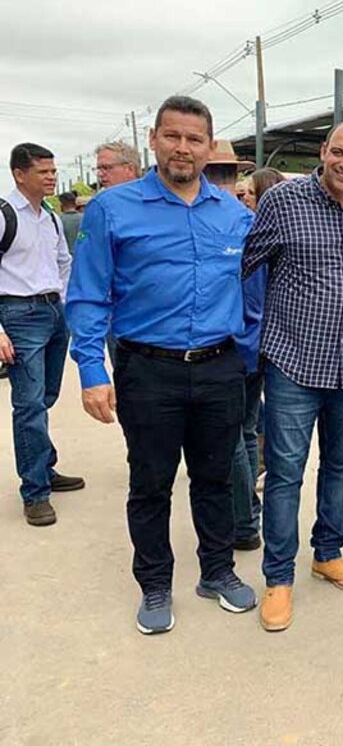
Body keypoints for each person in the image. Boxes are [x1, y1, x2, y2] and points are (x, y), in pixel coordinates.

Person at [66, 95, 257, 635]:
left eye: (195, 139)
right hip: (148, 370)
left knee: (215, 478)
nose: (183, 148)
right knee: (150, 483)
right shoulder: (113, 209)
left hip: (220, 368)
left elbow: (253, 289)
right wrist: (92, 371)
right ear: (154, 139)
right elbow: (87, 297)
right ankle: (154, 584)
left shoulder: (234, 216)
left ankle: (217, 571)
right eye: (172, 136)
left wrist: (248, 350)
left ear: (208, 147)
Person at [242, 121, 343, 632]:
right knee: (285, 474)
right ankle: (278, 578)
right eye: (339, 153)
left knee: (340, 468)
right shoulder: (283, 202)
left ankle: (328, 553)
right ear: (324, 152)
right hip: (294, 363)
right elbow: (243, 263)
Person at [1, 143, 83, 527]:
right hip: (19, 314)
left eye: (53, 170)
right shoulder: (4, 215)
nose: (52, 176)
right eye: (43, 171)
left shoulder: (48, 217)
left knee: (46, 396)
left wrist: (65, 305)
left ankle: (43, 465)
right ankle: (35, 492)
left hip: (53, 314)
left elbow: (63, 262)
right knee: (29, 404)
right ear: (20, 174)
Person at [229, 168, 285, 552]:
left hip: (246, 349)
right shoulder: (280, 233)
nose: (243, 199)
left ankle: (245, 520)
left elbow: (251, 302)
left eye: (249, 193)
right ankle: (249, 516)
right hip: (264, 348)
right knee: (247, 431)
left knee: (233, 434)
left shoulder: (253, 235)